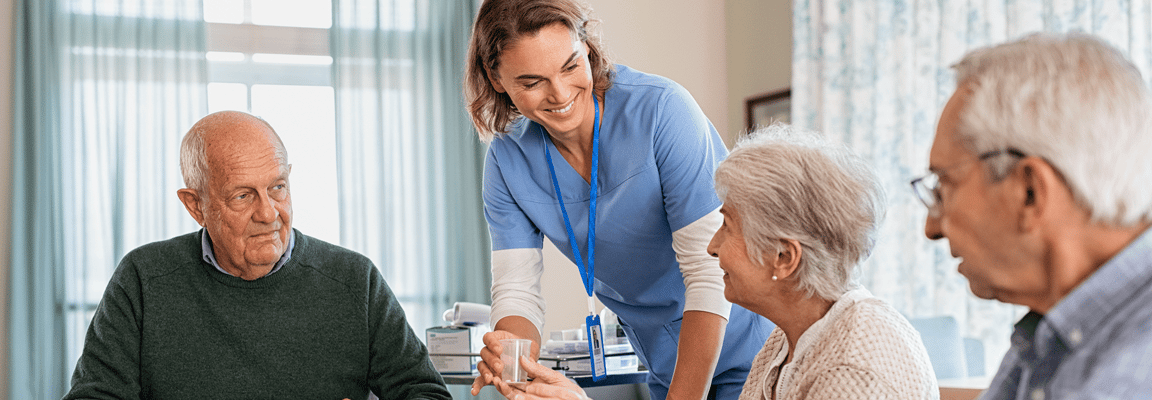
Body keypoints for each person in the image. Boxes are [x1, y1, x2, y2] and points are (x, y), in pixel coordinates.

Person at [464, 0, 772, 398]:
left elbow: (707, 271)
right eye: (532, 82)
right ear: (496, 77)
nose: (560, 94)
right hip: (664, 363)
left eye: (571, 66)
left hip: (751, 347)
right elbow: (517, 291)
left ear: (586, 46)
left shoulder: (662, 111)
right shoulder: (507, 160)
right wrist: (511, 355)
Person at [495, 124, 939, 400]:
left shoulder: (851, 371)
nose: (711, 247)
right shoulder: (785, 344)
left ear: (783, 257)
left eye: (726, 226)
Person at [63, 111, 451, 400]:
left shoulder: (355, 280)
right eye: (242, 195)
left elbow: (425, 393)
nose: (268, 213)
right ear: (196, 206)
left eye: (277, 187)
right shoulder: (143, 279)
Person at [916, 32, 1152, 399]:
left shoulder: (1132, 375)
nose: (931, 228)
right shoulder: (1049, 332)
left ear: (1030, 192)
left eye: (944, 188)